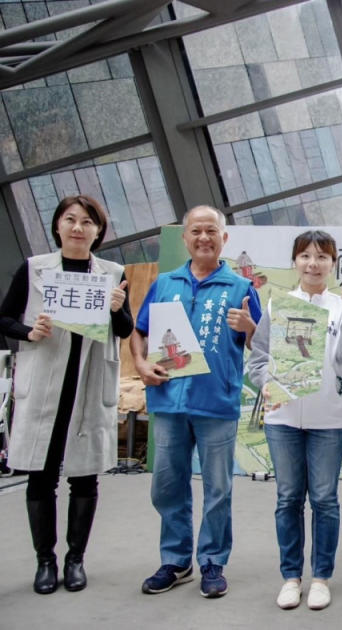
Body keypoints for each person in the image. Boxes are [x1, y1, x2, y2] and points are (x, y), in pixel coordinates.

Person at [0, 195, 131, 594]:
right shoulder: (34, 269)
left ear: (98, 231)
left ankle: (76, 560)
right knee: (41, 478)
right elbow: (4, 316)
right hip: (44, 388)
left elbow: (124, 330)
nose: (78, 228)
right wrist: (28, 332)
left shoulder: (112, 272)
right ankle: (46, 561)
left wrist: (117, 307)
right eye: (70, 220)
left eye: (87, 222)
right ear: (57, 226)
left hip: (88, 385)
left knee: (84, 478)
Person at [131, 205, 262, 599]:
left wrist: (251, 327)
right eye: (196, 231)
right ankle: (175, 560)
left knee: (218, 488)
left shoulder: (241, 289)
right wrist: (139, 363)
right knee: (167, 485)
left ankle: (212, 562)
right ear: (185, 237)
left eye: (211, 231)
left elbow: (265, 347)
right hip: (168, 401)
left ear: (224, 238)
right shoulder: (165, 282)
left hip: (216, 403)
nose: (204, 237)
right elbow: (139, 332)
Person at [247, 231, 342, 610]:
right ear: (295, 262)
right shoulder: (277, 304)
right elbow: (258, 358)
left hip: (330, 418)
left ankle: (321, 578)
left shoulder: (340, 305)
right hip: (282, 417)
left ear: (333, 263)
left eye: (321, 257)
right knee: (287, 499)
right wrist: (266, 383)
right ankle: (290, 576)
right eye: (305, 256)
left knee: (325, 500)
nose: (313, 263)